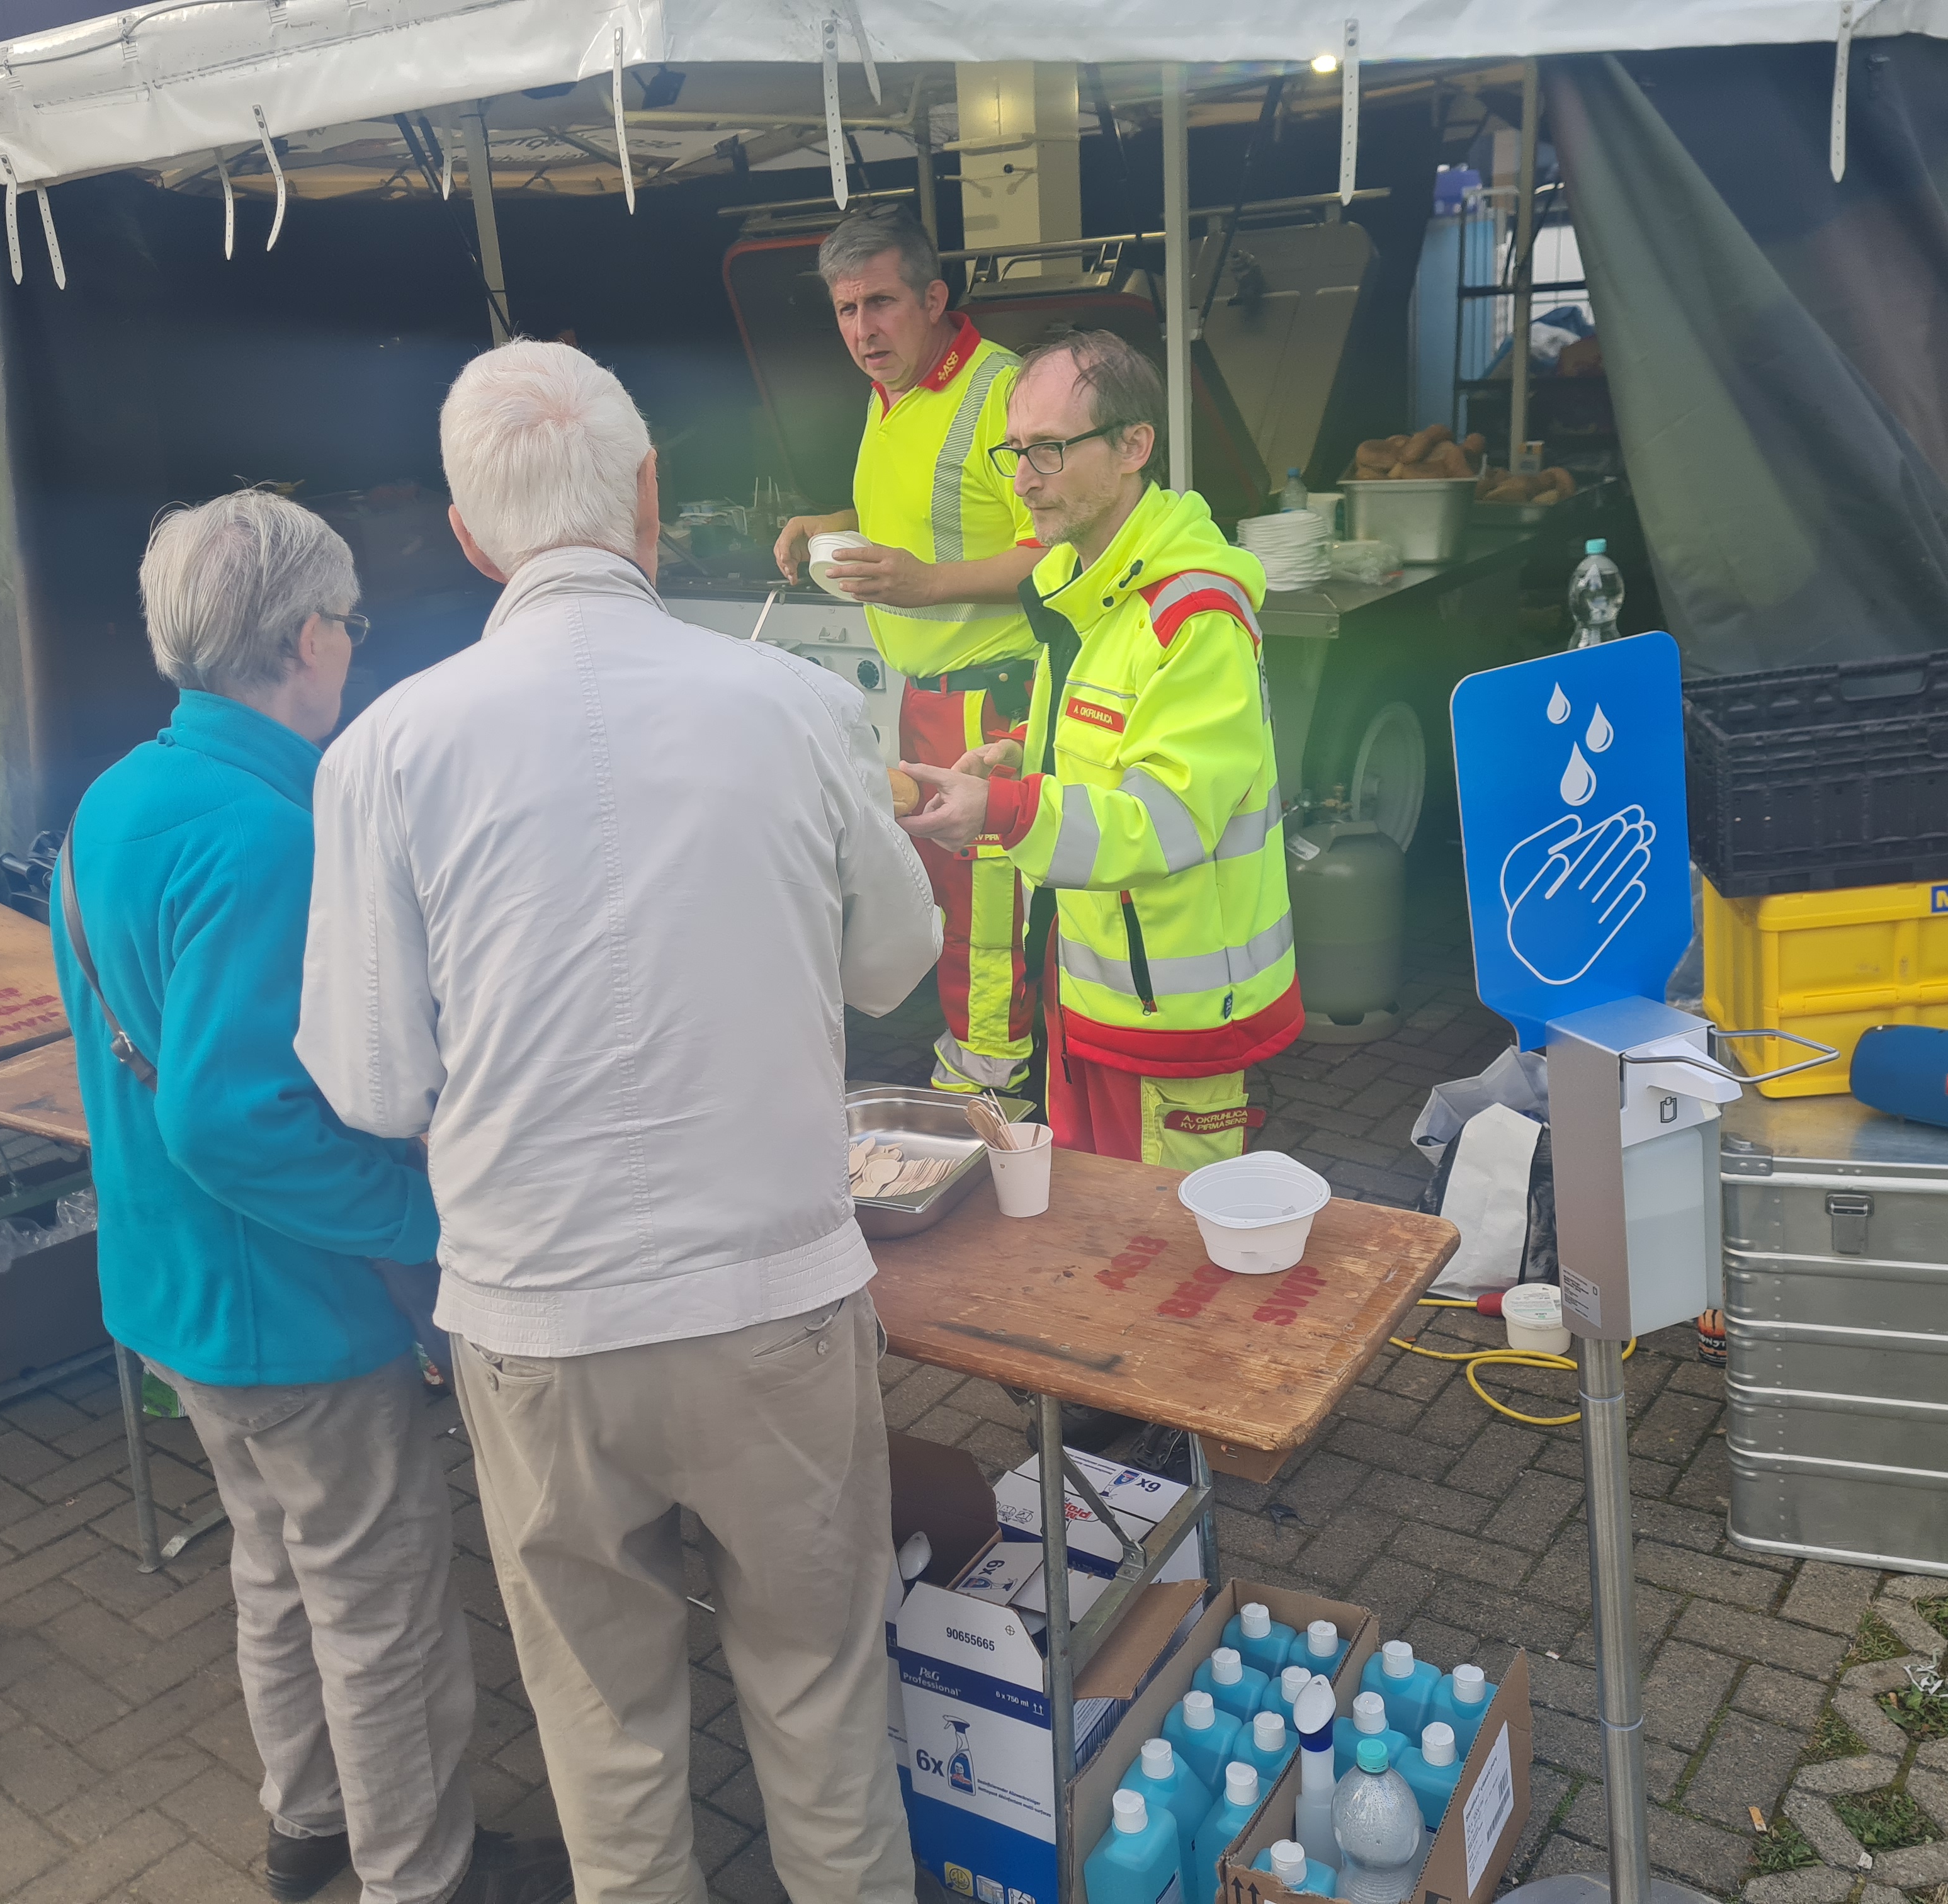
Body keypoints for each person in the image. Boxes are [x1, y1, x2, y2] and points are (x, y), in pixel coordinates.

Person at [300, 341, 939, 1904]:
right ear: (652, 497)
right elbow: (894, 958)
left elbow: (373, 1085)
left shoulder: (382, 750)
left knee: (608, 1737)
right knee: (823, 1700)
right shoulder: (792, 705)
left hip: (534, 1319)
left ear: (468, 534)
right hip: (775, 1301)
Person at [52, 494, 567, 1904]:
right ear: (305, 635)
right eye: (349, 623)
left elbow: (123, 1041)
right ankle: (422, 1874)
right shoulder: (274, 835)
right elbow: (233, 1119)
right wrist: (430, 1231)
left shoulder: (117, 794)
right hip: (290, 1307)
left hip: (171, 1290)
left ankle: (311, 1826)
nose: (354, 646)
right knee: (379, 1601)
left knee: (276, 1570)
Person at [899, 330, 1304, 1167]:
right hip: (1093, 998)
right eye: (1016, 452)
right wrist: (1018, 755)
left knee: (1173, 1272)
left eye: (1047, 451)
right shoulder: (1086, 587)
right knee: (1102, 1249)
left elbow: (1170, 819)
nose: (1021, 482)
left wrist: (1005, 812)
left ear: (1133, 446)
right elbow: (1103, 745)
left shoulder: (1191, 615)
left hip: (1172, 1019)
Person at [774, 206, 1044, 1096]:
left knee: (988, 910)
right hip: (923, 692)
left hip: (997, 695)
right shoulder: (890, 392)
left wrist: (925, 583)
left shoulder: (1005, 395)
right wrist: (831, 525)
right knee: (940, 895)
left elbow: (1063, 552)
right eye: (847, 310)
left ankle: (992, 1096)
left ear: (934, 298)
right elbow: (929, 516)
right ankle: (978, 1063)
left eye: (881, 304)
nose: (863, 330)